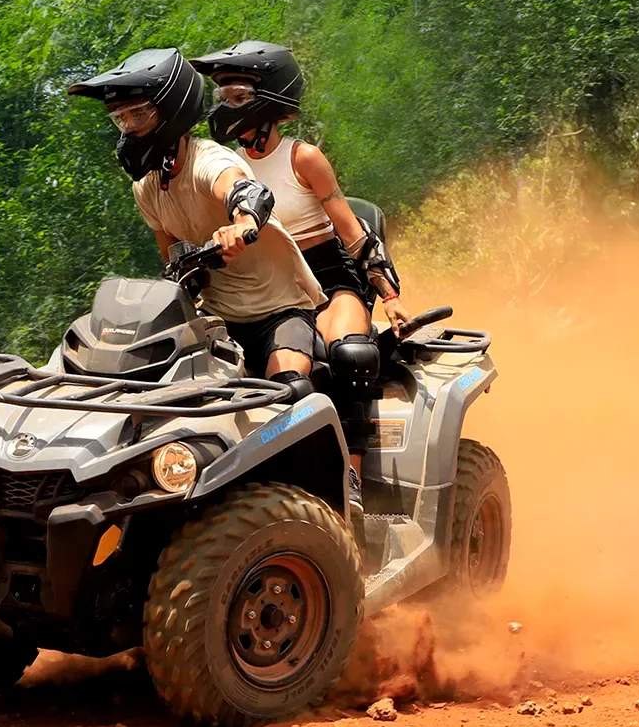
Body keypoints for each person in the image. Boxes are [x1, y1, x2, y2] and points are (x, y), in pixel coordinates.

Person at [189, 40, 410, 485]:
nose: (226, 108)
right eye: (222, 98)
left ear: (270, 99)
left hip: (326, 277)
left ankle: (352, 478)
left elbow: (351, 232)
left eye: (238, 98)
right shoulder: (220, 166)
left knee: (351, 354)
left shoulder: (302, 157)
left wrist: (390, 298)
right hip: (264, 285)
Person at [67, 47, 324, 384]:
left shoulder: (208, 161)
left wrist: (243, 223)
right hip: (214, 319)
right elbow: (171, 258)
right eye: (120, 118)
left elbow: (243, 189)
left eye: (138, 114)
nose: (127, 127)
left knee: (288, 390)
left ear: (171, 110)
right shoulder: (146, 186)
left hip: (278, 312)